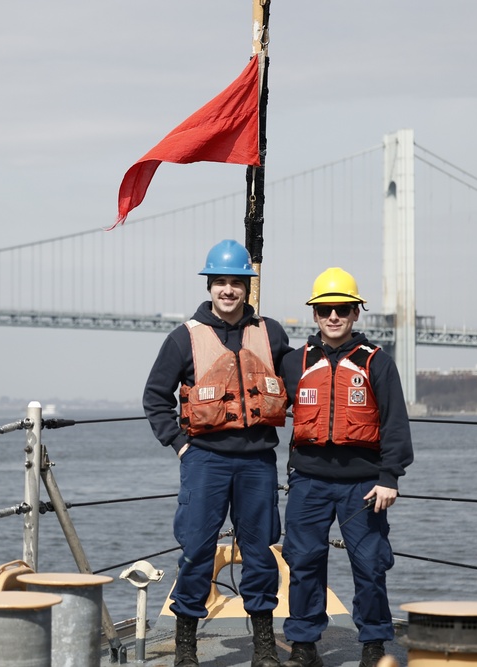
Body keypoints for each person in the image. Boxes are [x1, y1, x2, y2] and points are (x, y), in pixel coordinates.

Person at [143, 239, 292, 667]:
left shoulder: (271, 333)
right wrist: (180, 446)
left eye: (236, 282)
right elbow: (155, 398)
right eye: (221, 282)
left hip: (258, 461)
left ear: (248, 286)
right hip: (204, 460)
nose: (228, 290)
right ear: (210, 286)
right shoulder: (183, 339)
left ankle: (264, 646)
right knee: (196, 550)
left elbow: (298, 387)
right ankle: (186, 647)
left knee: (261, 551)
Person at [279, 267, 414, 667]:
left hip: (365, 486)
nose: (333, 316)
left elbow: (395, 424)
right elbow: (264, 408)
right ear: (314, 315)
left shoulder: (377, 363)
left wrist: (390, 477)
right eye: (325, 310)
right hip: (307, 482)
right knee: (302, 563)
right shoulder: (293, 362)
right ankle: (304, 644)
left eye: (342, 308)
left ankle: (373, 644)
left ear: (356, 313)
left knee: (370, 566)